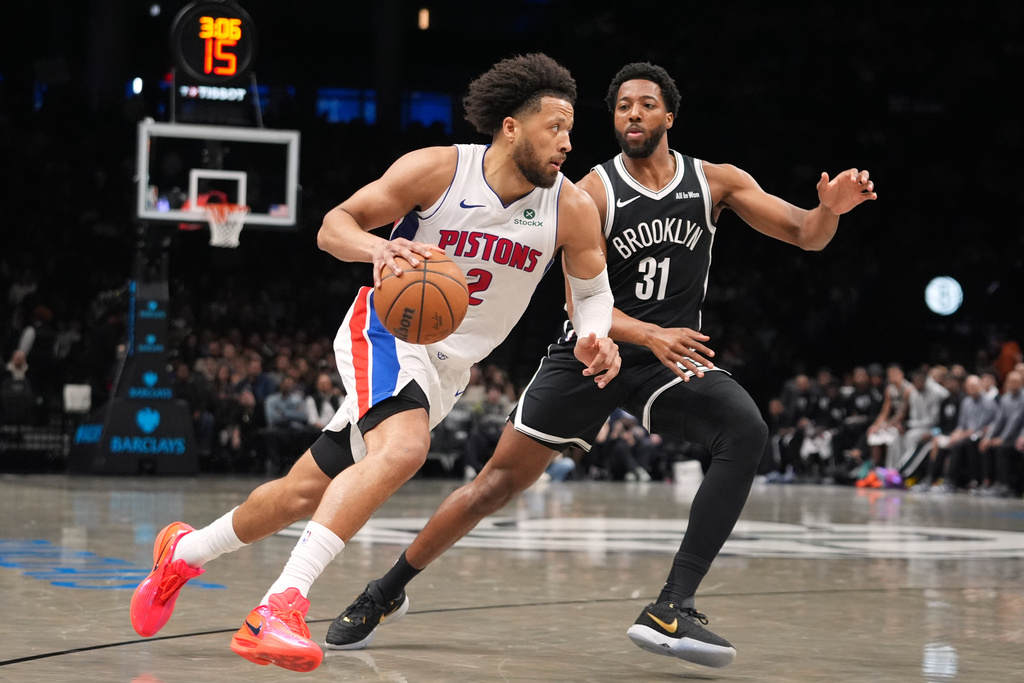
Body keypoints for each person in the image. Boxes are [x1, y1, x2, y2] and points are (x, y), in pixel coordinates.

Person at [326, 62, 876, 668]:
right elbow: (582, 303)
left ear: (670, 114)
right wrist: (648, 333)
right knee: (493, 486)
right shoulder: (589, 191)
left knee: (744, 430)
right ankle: (385, 590)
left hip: (665, 359)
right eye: (621, 107)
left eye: (645, 104)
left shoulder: (714, 182)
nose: (632, 114)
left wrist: (830, 211)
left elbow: (804, 234)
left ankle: (673, 606)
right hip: (587, 354)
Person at [128, 53, 618, 673]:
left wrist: (594, 335)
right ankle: (278, 608)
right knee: (405, 450)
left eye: (571, 131)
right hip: (386, 329)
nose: (568, 144)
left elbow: (594, 291)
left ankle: (183, 553)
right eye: (555, 128)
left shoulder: (569, 208)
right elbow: (334, 226)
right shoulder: (439, 169)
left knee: (300, 493)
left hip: (447, 371)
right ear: (511, 126)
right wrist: (379, 249)